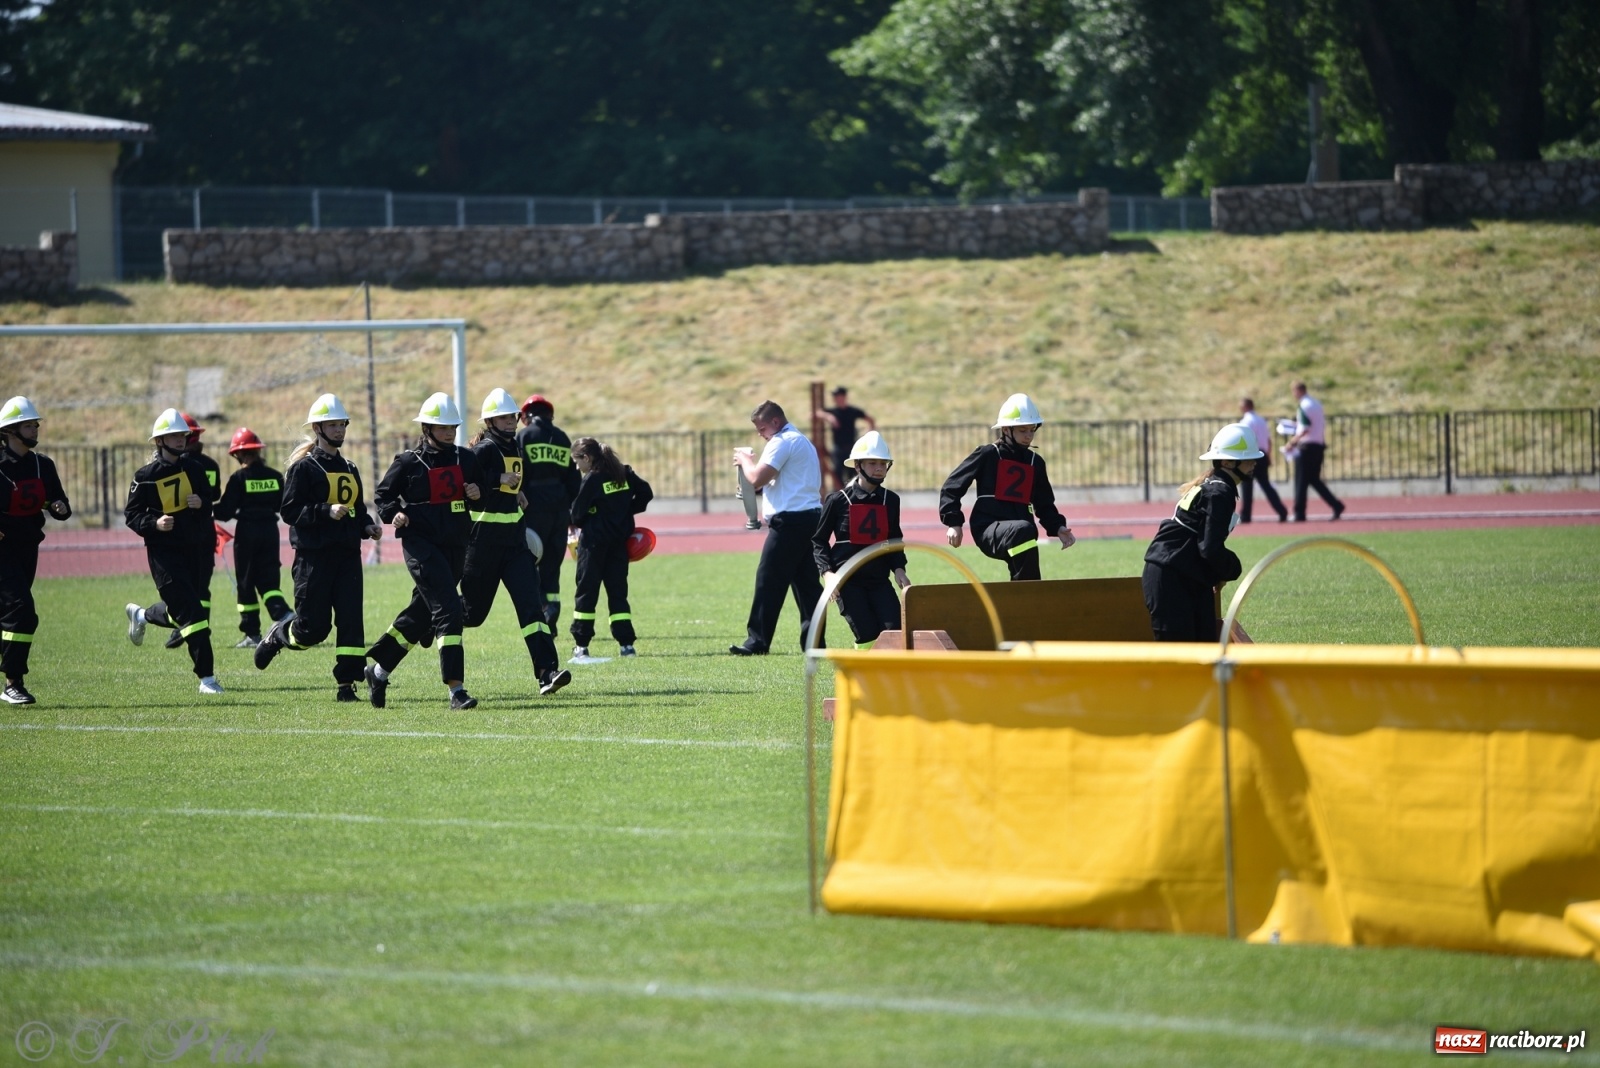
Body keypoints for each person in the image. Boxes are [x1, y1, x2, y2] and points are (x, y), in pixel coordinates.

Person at [253, 394, 383, 701]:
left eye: (342, 424)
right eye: (333, 424)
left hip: (348, 556)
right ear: (317, 428)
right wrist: (325, 510)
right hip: (314, 559)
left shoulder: (349, 466)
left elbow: (356, 509)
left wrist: (367, 526)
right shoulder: (304, 468)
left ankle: (346, 685)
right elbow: (289, 510)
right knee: (313, 629)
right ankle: (279, 634)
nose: (339, 430)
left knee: (351, 621)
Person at [365, 393, 485, 710]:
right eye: (442, 427)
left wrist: (476, 493)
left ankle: (378, 671)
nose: (449, 432)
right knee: (449, 609)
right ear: (427, 428)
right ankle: (456, 691)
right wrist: (394, 514)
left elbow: (481, 495)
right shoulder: (407, 462)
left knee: (421, 615)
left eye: (452, 427)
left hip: (456, 546)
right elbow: (383, 497)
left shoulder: (466, 459)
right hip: (420, 546)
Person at [462, 389, 571, 695]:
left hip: (515, 545)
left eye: (512, 417)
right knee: (472, 615)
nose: (510, 422)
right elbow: (463, 484)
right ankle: (431, 618)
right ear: (489, 421)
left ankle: (547, 672)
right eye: (503, 418)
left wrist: (517, 492)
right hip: (483, 546)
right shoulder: (482, 450)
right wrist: (497, 480)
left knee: (532, 608)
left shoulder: (515, 448)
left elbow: (511, 483)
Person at [123, 408, 223, 694]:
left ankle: (141, 615)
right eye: (174, 436)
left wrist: (201, 503)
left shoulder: (195, 468)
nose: (181, 440)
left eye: (183, 435)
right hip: (164, 556)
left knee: (184, 609)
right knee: (194, 614)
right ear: (160, 441)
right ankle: (207, 679)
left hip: (195, 550)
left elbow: (209, 501)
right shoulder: (145, 476)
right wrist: (154, 523)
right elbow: (132, 515)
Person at [939, 393, 1076, 581]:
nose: (1028, 436)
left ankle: (1024, 593)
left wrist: (1058, 527)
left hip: (1021, 532)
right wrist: (954, 522)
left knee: (1026, 533)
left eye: (1032, 430)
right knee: (1025, 529)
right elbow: (951, 487)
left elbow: (1044, 504)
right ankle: (1028, 590)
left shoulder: (1035, 462)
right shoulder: (987, 454)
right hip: (988, 528)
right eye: (1022, 430)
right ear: (1006, 430)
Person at [1141, 424, 1259, 642]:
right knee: (1181, 655)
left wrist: (1218, 572)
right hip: (1171, 578)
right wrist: (1232, 567)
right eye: (1248, 458)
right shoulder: (1219, 492)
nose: (1254, 462)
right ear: (1227, 463)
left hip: (1183, 574)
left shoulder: (1216, 487)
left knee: (1204, 647)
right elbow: (1209, 548)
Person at [730, 400, 825, 656]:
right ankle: (815, 643)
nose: (760, 434)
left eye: (762, 428)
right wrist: (757, 489)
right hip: (809, 519)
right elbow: (781, 483)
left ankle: (757, 641)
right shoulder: (800, 440)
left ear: (775, 422)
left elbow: (757, 477)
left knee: (768, 580)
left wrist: (745, 461)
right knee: (807, 586)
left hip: (790, 523)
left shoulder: (782, 441)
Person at [0, 397, 71, 705]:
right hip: (2, 550)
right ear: (10, 431)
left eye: (35, 425)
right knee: (22, 612)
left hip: (28, 546)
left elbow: (59, 503)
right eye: (28, 425)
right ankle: (13, 683)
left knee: (9, 614)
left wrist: (59, 507)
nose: (35, 429)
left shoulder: (44, 464)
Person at [811, 431, 910, 649]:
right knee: (867, 635)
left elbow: (894, 538)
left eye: (883, 463)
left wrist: (899, 569)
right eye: (872, 463)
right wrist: (827, 573)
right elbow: (819, 541)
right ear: (857, 466)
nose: (879, 468)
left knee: (895, 632)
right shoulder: (837, 500)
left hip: (879, 581)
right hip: (848, 582)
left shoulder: (891, 500)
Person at [569, 436, 653, 660]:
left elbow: (576, 515)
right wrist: (624, 511)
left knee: (586, 593)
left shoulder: (592, 479)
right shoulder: (623, 473)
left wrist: (594, 515)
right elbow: (646, 493)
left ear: (587, 458)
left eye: (577, 462)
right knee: (618, 594)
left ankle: (581, 645)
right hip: (618, 545)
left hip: (593, 546)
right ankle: (626, 645)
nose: (577, 467)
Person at [214, 427, 292, 647]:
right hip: (270, 531)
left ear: (238, 454)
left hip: (247, 533)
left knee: (246, 582)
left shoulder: (239, 478)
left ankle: (252, 633)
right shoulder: (275, 477)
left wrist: (205, 510)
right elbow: (282, 505)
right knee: (269, 579)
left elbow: (226, 511)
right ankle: (284, 614)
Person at [515, 393, 580, 630]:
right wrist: (571, 513)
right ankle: (552, 610)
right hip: (560, 511)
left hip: (533, 510)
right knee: (553, 565)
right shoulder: (562, 438)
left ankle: (539, 613)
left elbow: (518, 473)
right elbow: (574, 480)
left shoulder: (524, 437)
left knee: (530, 562)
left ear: (525, 417)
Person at [161, 412, 223, 650]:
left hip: (184, 531)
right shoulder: (211, 465)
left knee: (184, 584)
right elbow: (215, 495)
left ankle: (186, 626)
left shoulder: (178, 466)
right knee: (201, 585)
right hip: (204, 530)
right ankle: (198, 626)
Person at [1285, 381, 1345, 522]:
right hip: (1318, 445)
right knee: (1313, 480)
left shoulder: (1304, 405)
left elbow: (1305, 428)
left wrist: (1292, 442)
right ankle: (1336, 505)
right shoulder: (1316, 404)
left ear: (1298, 390)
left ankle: (1299, 513)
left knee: (1301, 481)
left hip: (1306, 447)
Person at [1235, 397, 1287, 523]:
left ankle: (1246, 515)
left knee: (1247, 486)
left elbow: (1245, 440)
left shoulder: (1246, 421)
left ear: (1245, 407)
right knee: (1266, 485)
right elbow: (1268, 440)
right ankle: (1281, 511)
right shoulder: (1261, 420)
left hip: (1251, 455)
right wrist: (1268, 455)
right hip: (1262, 454)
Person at [816, 386, 875, 490]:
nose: (837, 399)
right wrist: (829, 417)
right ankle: (839, 496)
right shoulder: (833, 411)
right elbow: (816, 413)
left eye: (839, 396)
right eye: (835, 397)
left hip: (852, 448)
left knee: (853, 475)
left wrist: (867, 434)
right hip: (838, 449)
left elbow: (870, 419)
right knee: (837, 475)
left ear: (844, 397)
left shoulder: (852, 411)